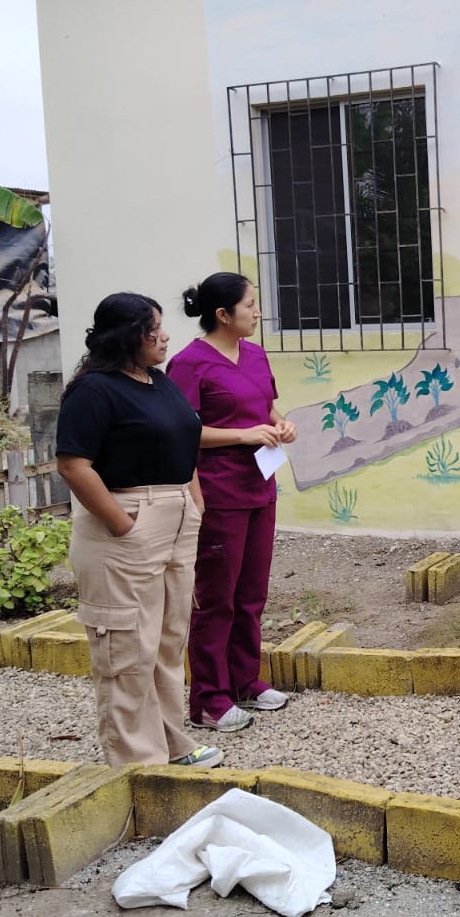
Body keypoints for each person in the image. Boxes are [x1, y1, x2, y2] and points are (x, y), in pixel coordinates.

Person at [55, 293, 219, 769]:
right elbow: (73, 464)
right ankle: (137, 764)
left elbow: (185, 440)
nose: (165, 337)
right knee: (127, 646)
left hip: (176, 518)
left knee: (167, 640)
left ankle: (172, 743)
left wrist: (194, 502)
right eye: (154, 329)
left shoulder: (158, 381)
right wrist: (123, 524)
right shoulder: (93, 390)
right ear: (127, 335)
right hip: (127, 522)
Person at [168, 273, 297, 733]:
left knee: (251, 594)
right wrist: (242, 436)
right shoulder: (189, 364)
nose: (258, 312)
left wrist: (282, 424)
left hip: (261, 487)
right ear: (222, 314)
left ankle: (245, 681)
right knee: (216, 599)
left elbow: (266, 408)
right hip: (220, 494)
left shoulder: (256, 355)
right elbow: (181, 431)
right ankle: (209, 699)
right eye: (250, 305)